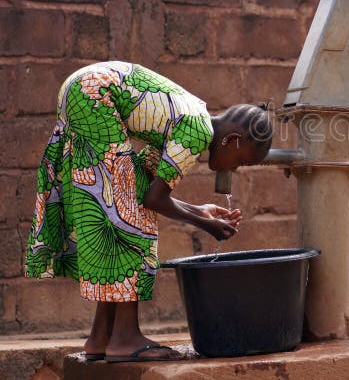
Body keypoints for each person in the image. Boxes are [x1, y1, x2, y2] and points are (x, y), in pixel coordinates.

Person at [25, 61, 272, 362]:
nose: (234, 169)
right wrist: (203, 224)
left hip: (83, 88)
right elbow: (154, 200)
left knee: (124, 203)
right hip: (93, 93)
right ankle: (125, 338)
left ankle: (100, 336)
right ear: (232, 141)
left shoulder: (192, 114)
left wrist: (199, 210)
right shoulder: (197, 131)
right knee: (130, 221)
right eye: (241, 162)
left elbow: (147, 190)